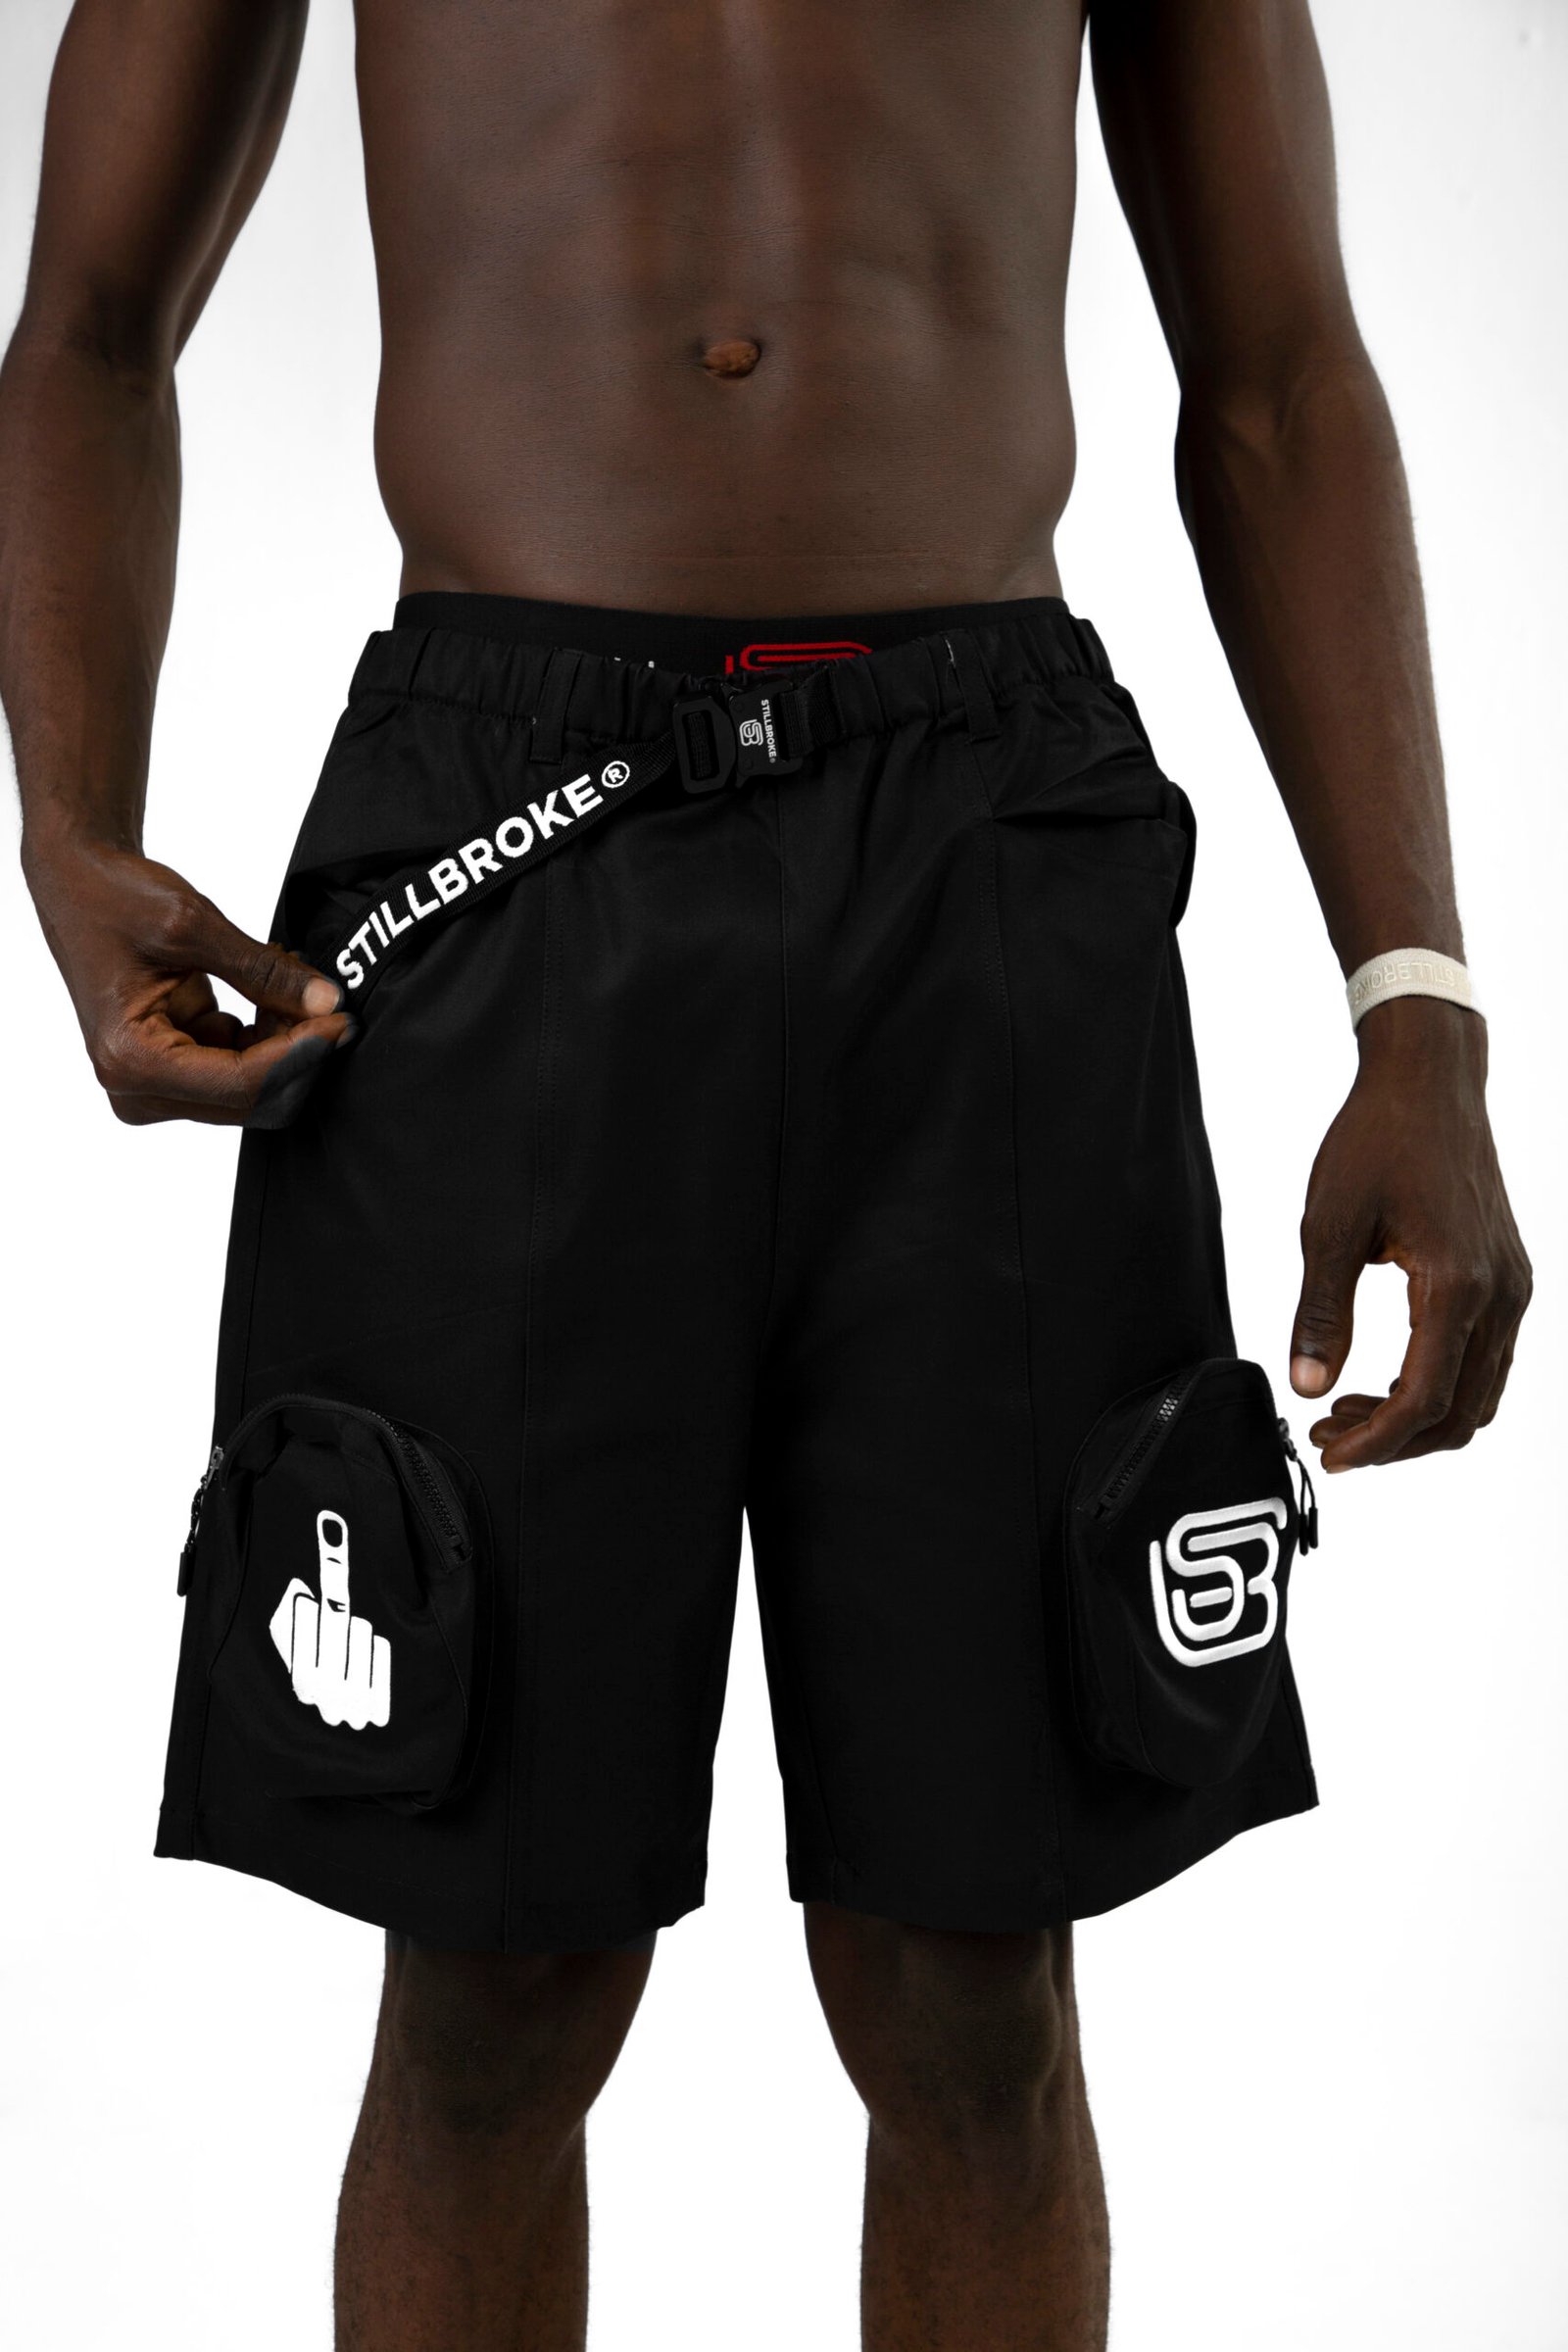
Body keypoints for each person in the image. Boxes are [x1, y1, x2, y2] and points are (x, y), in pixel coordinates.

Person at [0, 3, 1532, 2347]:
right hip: (508, 835)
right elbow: (92, 321)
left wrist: (1411, 998)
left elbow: (1279, 372)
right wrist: (69, 827)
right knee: (490, 1982)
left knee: (971, 1985)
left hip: (979, 835)